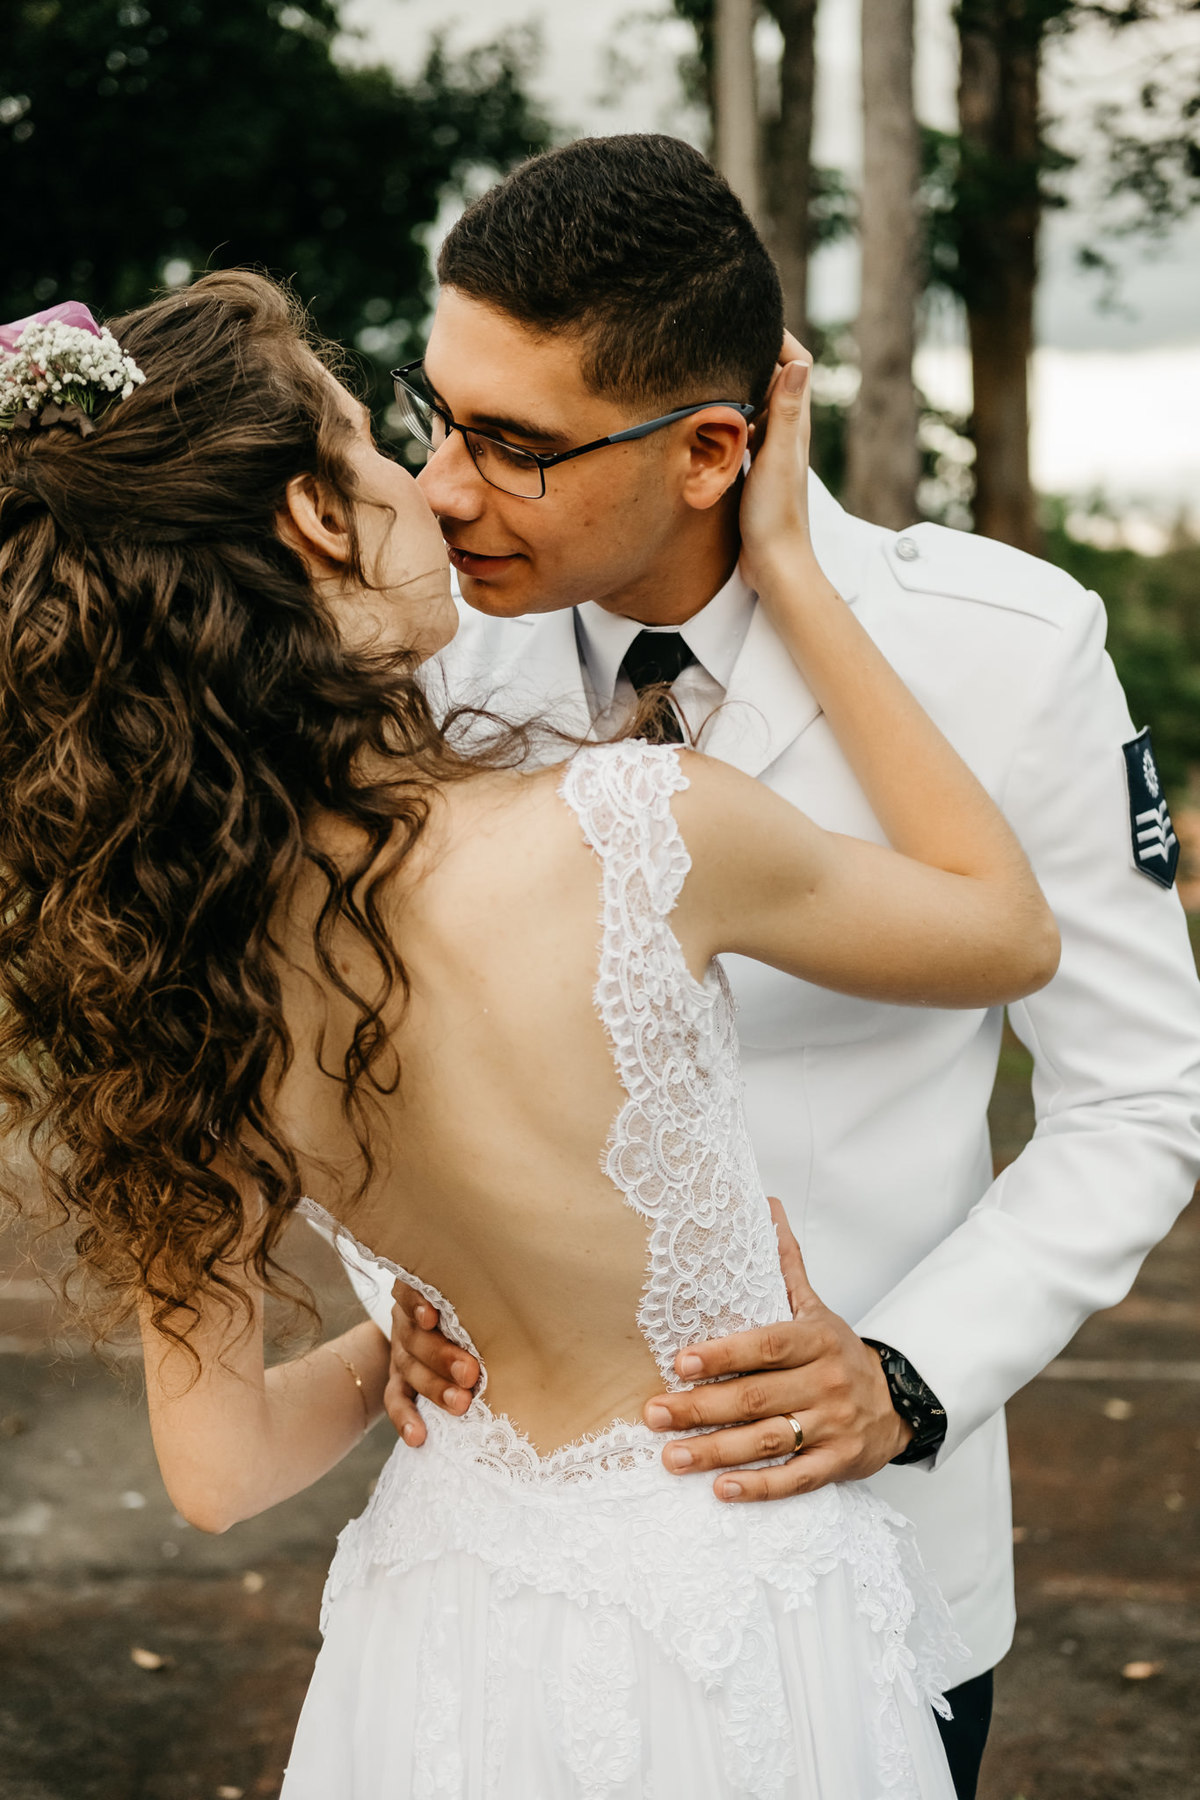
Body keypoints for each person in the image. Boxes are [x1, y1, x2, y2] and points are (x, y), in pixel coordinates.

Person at [0, 274, 1060, 1797]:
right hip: (729, 1611)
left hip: (446, 1618)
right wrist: (798, 574)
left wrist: (386, 1353)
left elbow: (221, 1472)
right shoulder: (634, 828)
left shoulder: (174, 992)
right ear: (310, 522)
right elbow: (1004, 931)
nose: (428, 486)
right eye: (374, 446)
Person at [379, 134, 1200, 1798]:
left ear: (711, 449)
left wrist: (910, 1377)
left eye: (517, 446)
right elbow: (359, 1029)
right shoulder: (415, 650)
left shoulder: (1007, 648)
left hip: (873, 1550)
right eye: (437, 418)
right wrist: (386, 1288)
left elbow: (1137, 1095)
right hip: (514, 1570)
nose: (447, 489)